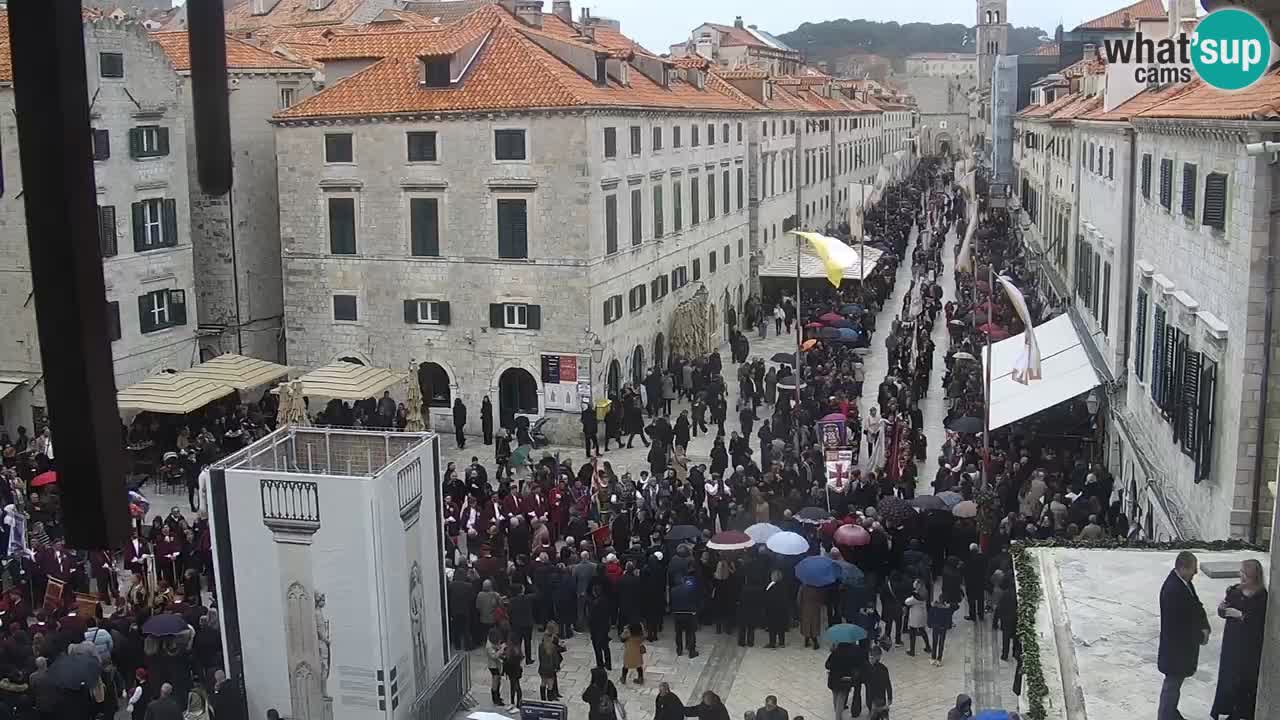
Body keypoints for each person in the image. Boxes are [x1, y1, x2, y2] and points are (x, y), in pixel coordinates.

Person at [1211, 558, 1268, 720]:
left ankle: (1244, 711)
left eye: (1245, 574)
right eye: (1241, 573)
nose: (1241, 577)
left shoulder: (1261, 596)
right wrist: (1223, 610)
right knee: (1229, 676)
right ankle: (1227, 709)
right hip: (1232, 641)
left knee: (1246, 678)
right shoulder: (1234, 591)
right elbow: (1222, 609)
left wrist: (1242, 616)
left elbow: (1259, 620)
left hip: (1250, 644)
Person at [1158, 551, 1210, 720]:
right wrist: (1200, 635)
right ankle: (1166, 716)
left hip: (1180, 649)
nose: (1196, 572)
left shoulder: (1184, 583)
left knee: (1174, 685)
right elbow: (1180, 625)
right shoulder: (1173, 590)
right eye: (1193, 569)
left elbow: (1196, 605)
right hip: (1175, 649)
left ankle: (1170, 713)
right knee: (1172, 684)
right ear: (1183, 568)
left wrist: (1205, 626)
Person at [825, 642, 859, 720]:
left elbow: (827, 665)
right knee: (841, 700)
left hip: (833, 679)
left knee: (835, 698)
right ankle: (838, 718)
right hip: (844, 681)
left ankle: (838, 717)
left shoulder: (834, 653)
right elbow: (854, 668)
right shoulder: (851, 654)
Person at [862, 648, 892, 720]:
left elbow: (888, 684)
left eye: (872, 657)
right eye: (870, 657)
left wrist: (889, 698)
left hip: (878, 699)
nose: (870, 659)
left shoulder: (882, 669)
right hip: (873, 699)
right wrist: (889, 698)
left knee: (877, 716)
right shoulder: (867, 667)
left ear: (878, 657)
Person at [903, 580, 931, 656]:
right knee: (922, 630)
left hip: (915, 616)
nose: (913, 584)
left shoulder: (916, 596)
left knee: (912, 633)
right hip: (922, 614)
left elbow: (907, 602)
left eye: (915, 583)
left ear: (918, 585)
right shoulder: (925, 593)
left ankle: (912, 651)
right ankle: (928, 647)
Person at [764, 570, 790, 648]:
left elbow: (767, 597)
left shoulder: (770, 586)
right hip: (782, 609)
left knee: (772, 626)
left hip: (772, 609)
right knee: (781, 626)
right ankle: (782, 642)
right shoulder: (784, 586)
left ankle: (772, 642)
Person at [538, 623, 564, 702]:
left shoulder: (541, 646)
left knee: (543, 682)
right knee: (550, 685)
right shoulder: (553, 647)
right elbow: (555, 659)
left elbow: (540, 657)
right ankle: (550, 699)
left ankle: (543, 699)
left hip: (542, 667)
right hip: (550, 668)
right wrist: (557, 667)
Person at [501, 631, 524, 708]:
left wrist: (504, 658)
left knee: (515, 686)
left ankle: (515, 702)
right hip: (516, 670)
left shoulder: (512, 650)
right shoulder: (517, 649)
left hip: (513, 671)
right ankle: (515, 702)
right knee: (514, 686)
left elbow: (509, 661)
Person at [485, 628, 504, 706]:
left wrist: (499, 647)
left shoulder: (491, 642)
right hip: (493, 666)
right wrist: (501, 650)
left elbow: (496, 646)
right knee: (495, 682)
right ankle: (495, 699)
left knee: (498, 680)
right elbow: (494, 656)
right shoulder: (489, 646)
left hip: (496, 665)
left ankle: (498, 696)